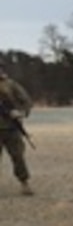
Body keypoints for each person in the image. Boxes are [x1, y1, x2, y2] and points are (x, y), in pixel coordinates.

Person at [0, 67, 34, 195]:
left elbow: (26, 101)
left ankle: (24, 183)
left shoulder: (11, 84)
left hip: (11, 128)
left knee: (18, 157)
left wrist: (20, 113)